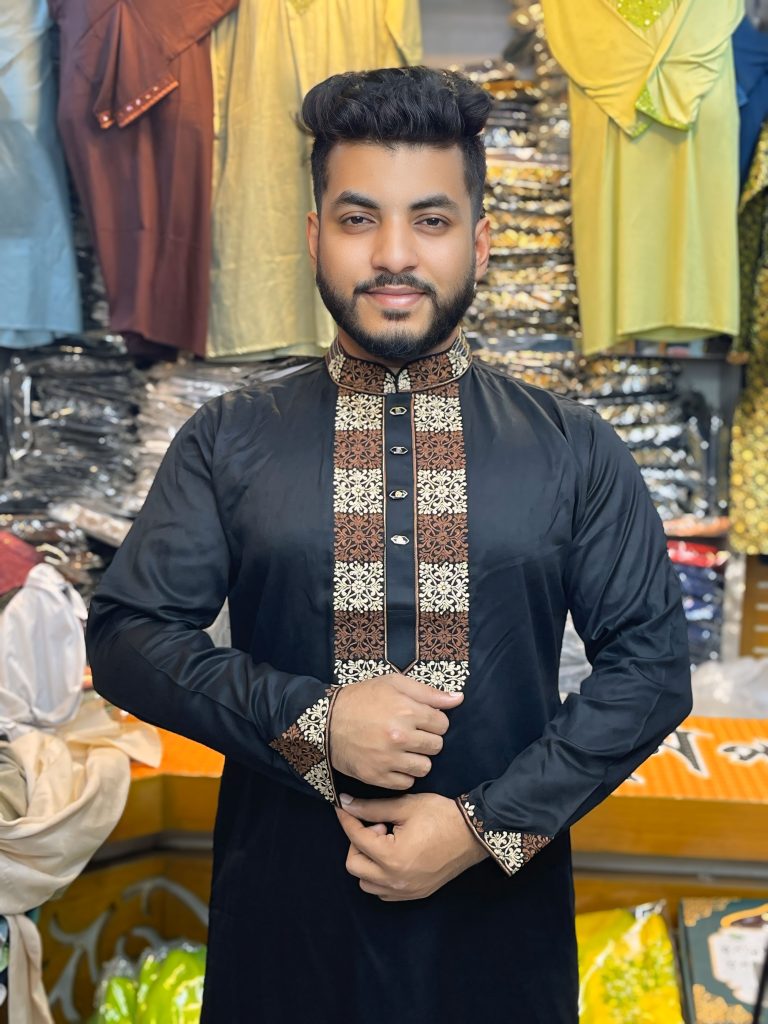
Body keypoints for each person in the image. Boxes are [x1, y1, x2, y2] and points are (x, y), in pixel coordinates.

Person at [86, 66, 692, 1023]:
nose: (394, 255)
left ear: (481, 242)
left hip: (500, 944)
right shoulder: (229, 439)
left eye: (432, 220)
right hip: (285, 942)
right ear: (314, 235)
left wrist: (481, 827)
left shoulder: (573, 447)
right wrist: (315, 719)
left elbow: (652, 669)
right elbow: (127, 635)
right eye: (359, 219)